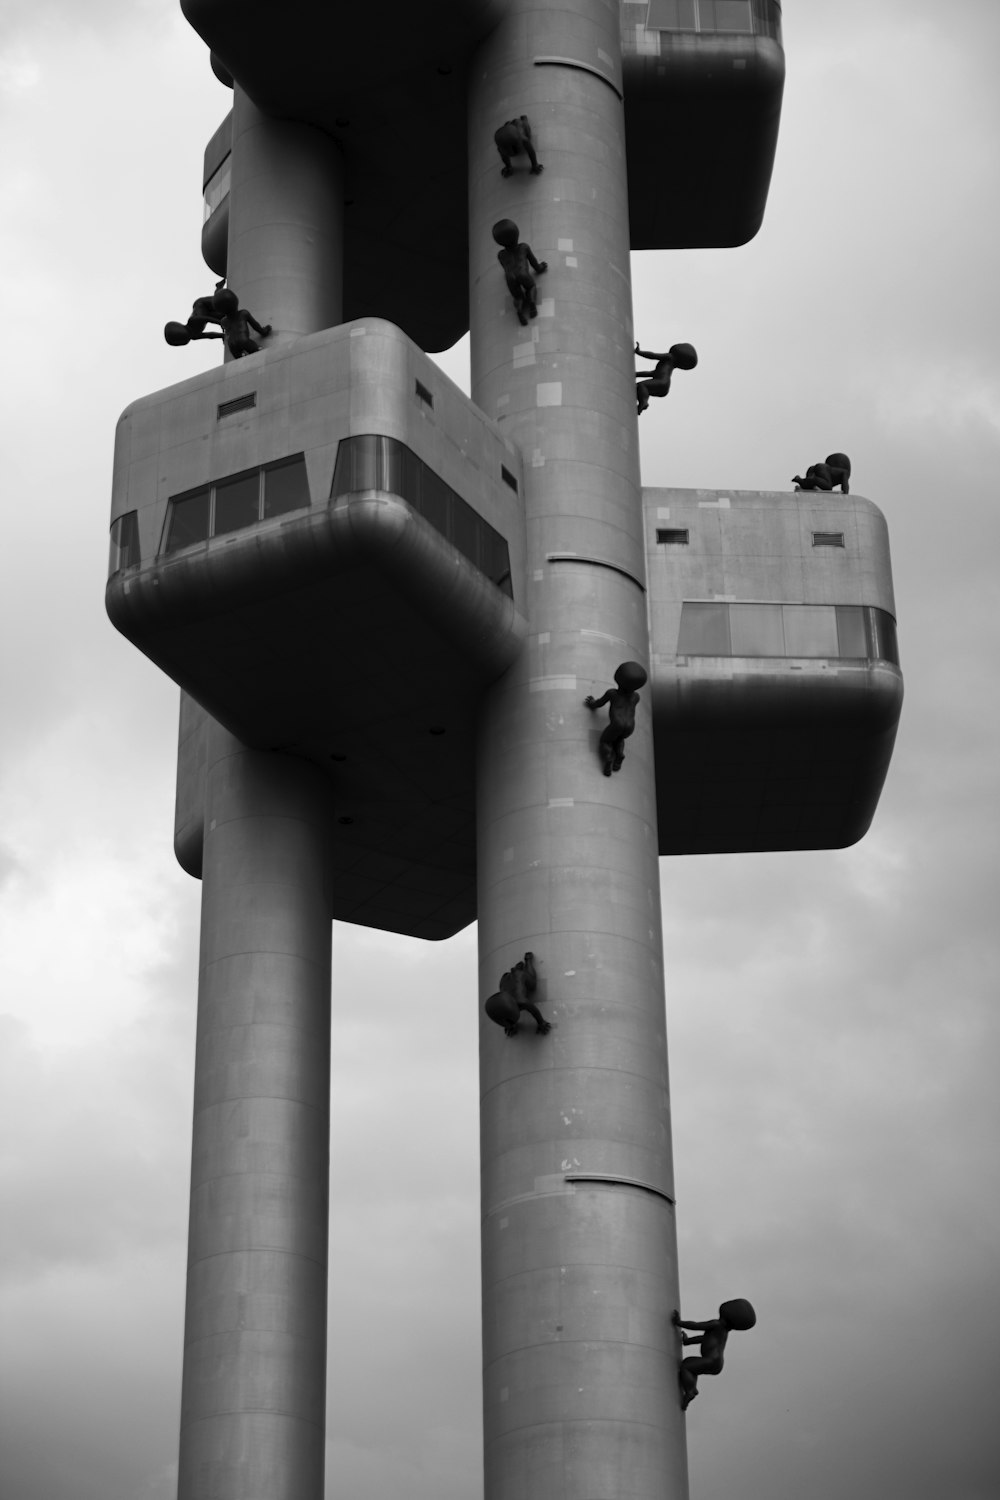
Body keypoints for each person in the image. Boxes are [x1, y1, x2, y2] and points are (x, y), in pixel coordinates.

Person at [672, 1300, 756, 1411]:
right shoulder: (723, 1331)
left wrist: (679, 1322)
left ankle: (690, 1390)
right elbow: (705, 1339)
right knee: (693, 1367)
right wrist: (688, 1341)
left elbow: (697, 1325)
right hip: (716, 1362)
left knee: (686, 1366)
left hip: (711, 1360)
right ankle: (691, 1387)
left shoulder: (717, 1324)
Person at [584, 662, 647, 775]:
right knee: (619, 739)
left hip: (617, 723)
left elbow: (598, 704)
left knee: (605, 741)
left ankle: (608, 758)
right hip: (630, 726)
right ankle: (619, 756)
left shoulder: (612, 694)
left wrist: (592, 703)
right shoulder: (636, 697)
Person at [493, 219, 548, 326]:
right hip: (522, 272)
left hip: (510, 277)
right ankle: (532, 303)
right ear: (517, 234)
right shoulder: (524, 247)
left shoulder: (501, 255)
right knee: (531, 286)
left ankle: (519, 311)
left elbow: (505, 267)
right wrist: (540, 268)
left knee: (518, 297)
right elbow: (534, 263)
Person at [484, 952, 550, 1036]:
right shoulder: (504, 1002)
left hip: (519, 975)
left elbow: (534, 1011)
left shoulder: (522, 1001)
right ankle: (518, 967)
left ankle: (528, 960)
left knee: (532, 985)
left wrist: (541, 1022)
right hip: (506, 979)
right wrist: (510, 1026)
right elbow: (502, 1017)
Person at [634, 341, 698, 414]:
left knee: (641, 386)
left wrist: (640, 352)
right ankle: (641, 403)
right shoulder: (669, 366)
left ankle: (643, 402)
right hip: (664, 386)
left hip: (662, 382)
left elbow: (653, 355)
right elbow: (652, 373)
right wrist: (636, 374)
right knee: (639, 389)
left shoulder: (670, 357)